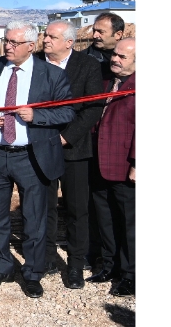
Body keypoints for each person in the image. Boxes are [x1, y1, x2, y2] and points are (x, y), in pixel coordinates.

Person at [0, 21, 74, 299]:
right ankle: (2, 266)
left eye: (14, 43)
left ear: (31, 46)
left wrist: (38, 116)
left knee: (34, 218)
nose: (7, 46)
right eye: (6, 41)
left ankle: (33, 273)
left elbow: (67, 112)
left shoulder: (51, 75)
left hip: (31, 157)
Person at [36, 21, 104, 289]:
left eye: (52, 37)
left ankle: (75, 265)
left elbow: (93, 108)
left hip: (74, 148)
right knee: (45, 206)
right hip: (41, 145)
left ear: (68, 42)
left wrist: (66, 137)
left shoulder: (87, 66)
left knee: (77, 209)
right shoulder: (36, 63)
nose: (45, 40)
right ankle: (48, 258)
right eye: (45, 35)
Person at [87, 38, 135, 297]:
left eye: (122, 57)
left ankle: (131, 274)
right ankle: (109, 265)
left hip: (124, 163)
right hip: (98, 160)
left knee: (129, 221)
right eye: (114, 54)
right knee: (104, 217)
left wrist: (138, 163)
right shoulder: (105, 80)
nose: (114, 59)